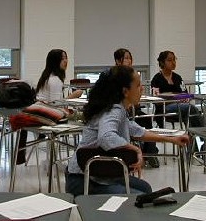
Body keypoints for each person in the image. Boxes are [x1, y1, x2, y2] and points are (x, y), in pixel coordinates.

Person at [65, 66, 189, 196]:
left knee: (145, 188)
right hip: (82, 179)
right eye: (138, 85)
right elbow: (106, 137)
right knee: (138, 197)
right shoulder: (114, 110)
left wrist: (171, 139)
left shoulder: (116, 108)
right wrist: (135, 149)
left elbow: (136, 131)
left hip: (96, 175)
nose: (141, 89)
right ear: (125, 91)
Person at [17, 49, 83, 164]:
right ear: (55, 61)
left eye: (66, 58)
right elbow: (56, 104)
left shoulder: (47, 76)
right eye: (62, 58)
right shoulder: (55, 80)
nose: (66, 61)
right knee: (81, 116)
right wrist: (73, 96)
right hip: (47, 113)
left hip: (39, 110)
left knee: (73, 113)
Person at [114, 48, 160, 168]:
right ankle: (143, 152)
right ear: (118, 61)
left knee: (146, 118)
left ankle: (150, 153)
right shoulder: (115, 76)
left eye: (130, 58)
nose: (129, 61)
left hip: (134, 110)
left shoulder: (133, 74)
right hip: (124, 111)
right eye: (126, 58)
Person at [151, 50, 205, 128]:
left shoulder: (177, 77)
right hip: (164, 108)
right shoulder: (157, 78)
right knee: (191, 108)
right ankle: (204, 135)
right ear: (162, 62)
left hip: (180, 106)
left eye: (174, 59)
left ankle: (193, 137)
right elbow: (155, 99)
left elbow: (185, 94)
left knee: (189, 113)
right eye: (169, 60)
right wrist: (174, 97)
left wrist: (179, 97)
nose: (173, 62)